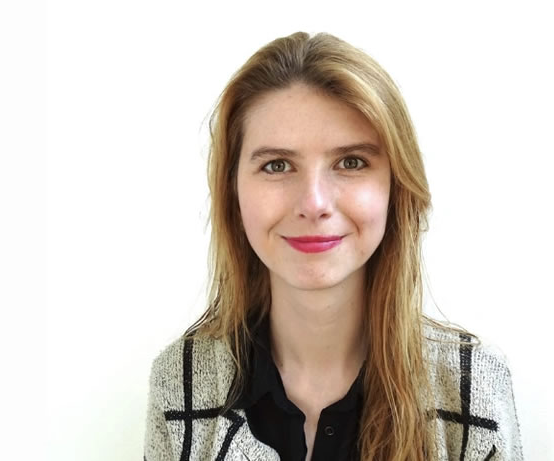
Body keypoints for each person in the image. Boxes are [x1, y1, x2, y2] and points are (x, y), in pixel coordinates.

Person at [143, 31, 523, 461]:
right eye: (277, 165)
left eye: (351, 162)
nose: (314, 203)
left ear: (396, 188)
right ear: (233, 191)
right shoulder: (180, 382)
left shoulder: (474, 388)